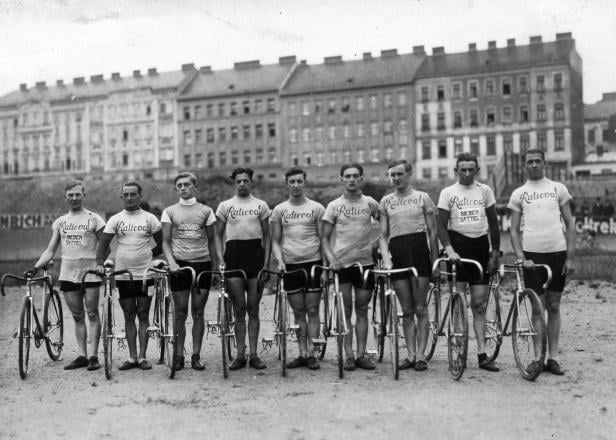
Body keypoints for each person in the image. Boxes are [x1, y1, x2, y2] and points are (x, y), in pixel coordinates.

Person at [508, 149, 575, 375]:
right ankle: (537, 357)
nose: (534, 165)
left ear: (544, 163)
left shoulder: (558, 189)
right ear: (524, 166)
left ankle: (553, 357)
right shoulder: (519, 193)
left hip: (557, 252)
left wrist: (571, 256)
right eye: (530, 162)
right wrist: (521, 257)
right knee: (537, 308)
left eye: (538, 161)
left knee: (554, 306)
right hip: (532, 257)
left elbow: (570, 223)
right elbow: (514, 231)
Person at [27, 180, 105, 371]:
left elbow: (105, 245)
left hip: (91, 274)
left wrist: (101, 264)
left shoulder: (94, 219)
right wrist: (36, 267)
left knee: (92, 313)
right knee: (77, 316)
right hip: (68, 274)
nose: (74, 198)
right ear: (65, 197)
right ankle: (82, 355)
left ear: (83, 195)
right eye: (70, 195)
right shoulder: (61, 222)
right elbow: (50, 250)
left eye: (78, 194)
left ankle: (94, 356)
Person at [437, 152, 501, 372]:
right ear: (456, 171)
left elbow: (493, 224)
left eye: (470, 169)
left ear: (477, 171)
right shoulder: (448, 193)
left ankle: (483, 355)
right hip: (457, 248)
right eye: (462, 169)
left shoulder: (485, 191)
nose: (466, 173)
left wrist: (495, 252)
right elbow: (440, 226)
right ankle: (457, 345)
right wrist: (449, 250)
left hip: (480, 248)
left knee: (479, 305)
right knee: (458, 301)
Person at [321, 163, 388, 371]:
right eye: (347, 176)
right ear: (342, 179)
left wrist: (377, 241)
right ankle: (348, 355)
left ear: (361, 178)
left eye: (355, 176)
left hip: (365, 264)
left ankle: (361, 354)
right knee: (345, 310)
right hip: (342, 264)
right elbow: (324, 238)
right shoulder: (334, 205)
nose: (351, 179)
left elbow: (385, 224)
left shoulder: (370, 203)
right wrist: (332, 259)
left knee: (362, 309)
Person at [379, 160, 439, 372]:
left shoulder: (422, 198)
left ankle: (421, 356)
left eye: (399, 174)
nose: (395, 178)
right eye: (392, 175)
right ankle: (410, 354)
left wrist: (434, 262)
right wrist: (386, 260)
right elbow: (383, 236)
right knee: (406, 310)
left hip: (419, 254)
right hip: (399, 255)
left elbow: (433, 233)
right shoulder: (386, 201)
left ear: (409, 174)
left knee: (420, 307)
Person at [97, 181, 162, 371]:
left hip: (146, 274)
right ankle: (132, 357)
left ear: (140, 196)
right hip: (124, 274)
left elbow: (161, 244)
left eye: (133, 194)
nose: (129, 198)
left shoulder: (150, 219)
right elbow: (102, 246)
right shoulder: (115, 219)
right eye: (125, 194)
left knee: (143, 314)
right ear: (121, 197)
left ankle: (142, 357)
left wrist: (148, 256)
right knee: (128, 314)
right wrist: (100, 264)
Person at [161, 172, 222, 371]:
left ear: (194, 186)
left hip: (201, 264)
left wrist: (214, 267)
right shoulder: (169, 211)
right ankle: (179, 355)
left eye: (187, 184)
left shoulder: (206, 210)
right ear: (176, 188)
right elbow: (165, 242)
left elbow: (213, 241)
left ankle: (196, 355)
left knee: (198, 311)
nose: (183, 188)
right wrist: (171, 262)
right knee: (179, 312)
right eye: (179, 185)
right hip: (180, 266)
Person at [270, 167, 326, 370]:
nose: (295, 185)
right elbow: (275, 241)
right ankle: (301, 352)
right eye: (292, 181)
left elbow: (323, 239)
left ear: (305, 182)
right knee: (298, 311)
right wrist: (280, 260)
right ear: (286, 183)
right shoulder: (279, 210)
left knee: (312, 309)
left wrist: (325, 267)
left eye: (299, 181)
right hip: (291, 265)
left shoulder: (317, 208)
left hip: (313, 263)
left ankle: (312, 353)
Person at [216, 168, 271, 370]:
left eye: (245, 180)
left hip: (255, 258)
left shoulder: (260, 205)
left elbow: (268, 236)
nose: (242, 184)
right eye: (238, 181)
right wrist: (220, 259)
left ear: (251, 182)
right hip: (234, 258)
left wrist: (266, 263)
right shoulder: (225, 206)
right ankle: (240, 354)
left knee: (253, 309)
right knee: (239, 309)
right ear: (234, 183)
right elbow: (217, 235)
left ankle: (255, 355)